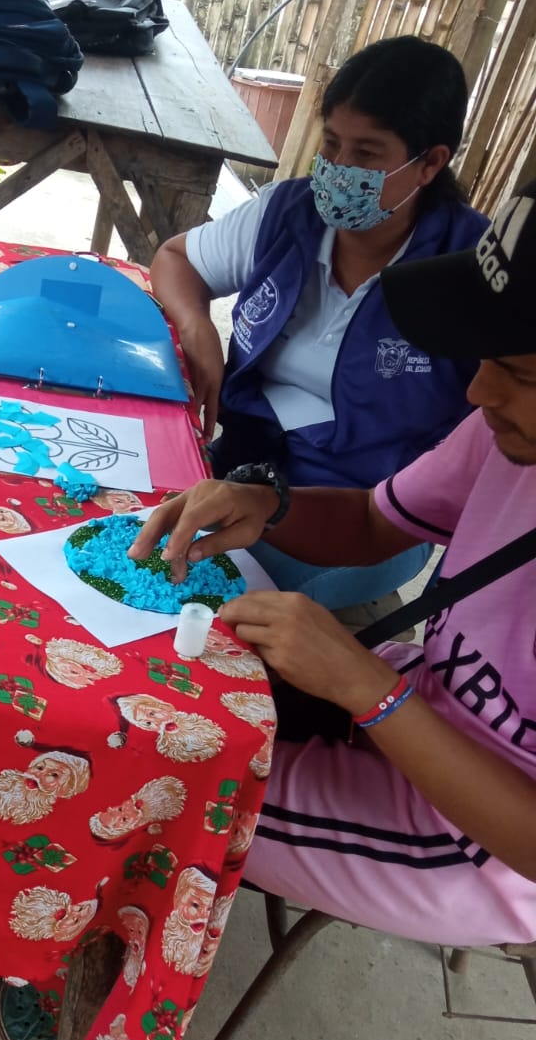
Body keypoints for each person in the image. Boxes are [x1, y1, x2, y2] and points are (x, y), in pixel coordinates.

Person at [0, 179, 536, 1040]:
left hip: (475, 842)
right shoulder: (506, 437)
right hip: (418, 702)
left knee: (147, 784)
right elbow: (375, 520)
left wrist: (365, 691)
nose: (479, 391)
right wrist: (270, 505)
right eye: (488, 360)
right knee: (132, 689)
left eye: (519, 373)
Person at [151, 36, 489, 610]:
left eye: (367, 153)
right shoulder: (288, 213)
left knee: (217, 610)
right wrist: (197, 325)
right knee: (137, 547)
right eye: (331, 144)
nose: (338, 169)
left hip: (371, 513)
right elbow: (176, 260)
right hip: (245, 464)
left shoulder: (474, 270)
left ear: (430, 163)